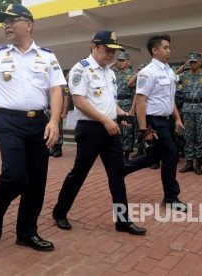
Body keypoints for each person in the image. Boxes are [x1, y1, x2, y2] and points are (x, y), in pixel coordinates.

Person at [0, 4, 66, 252]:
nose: (6, 25)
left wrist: (54, 121)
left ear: (29, 24)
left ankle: (26, 233)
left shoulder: (47, 56)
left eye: (11, 20)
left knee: (36, 181)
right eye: (4, 22)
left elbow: (57, 89)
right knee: (15, 176)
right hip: (8, 122)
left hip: (39, 122)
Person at [52, 30, 146, 235]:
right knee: (79, 173)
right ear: (94, 47)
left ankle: (123, 221)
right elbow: (79, 102)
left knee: (117, 174)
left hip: (110, 128)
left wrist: (121, 115)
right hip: (91, 130)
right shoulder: (81, 69)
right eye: (108, 50)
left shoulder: (109, 72)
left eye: (114, 51)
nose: (112, 55)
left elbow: (109, 103)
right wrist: (105, 120)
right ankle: (60, 212)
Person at [123, 34, 187, 212]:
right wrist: (144, 129)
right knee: (170, 155)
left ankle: (120, 170)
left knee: (152, 157)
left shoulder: (170, 71)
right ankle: (171, 198)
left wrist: (177, 118)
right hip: (153, 121)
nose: (169, 51)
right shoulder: (147, 72)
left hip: (165, 121)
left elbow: (170, 98)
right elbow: (141, 101)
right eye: (165, 47)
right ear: (155, 50)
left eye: (169, 47)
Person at [177, 52, 202, 175]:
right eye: (190, 62)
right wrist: (183, 66)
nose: (192, 64)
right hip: (187, 109)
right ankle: (188, 163)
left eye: (194, 61)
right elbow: (172, 77)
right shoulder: (183, 76)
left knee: (201, 137)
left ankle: (198, 164)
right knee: (188, 137)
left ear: (200, 62)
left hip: (201, 108)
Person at [114, 51, 136, 160]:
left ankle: (126, 152)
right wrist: (114, 63)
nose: (120, 63)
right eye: (119, 60)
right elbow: (106, 69)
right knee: (118, 128)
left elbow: (136, 91)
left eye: (122, 60)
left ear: (128, 62)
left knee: (127, 129)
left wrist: (133, 108)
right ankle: (119, 149)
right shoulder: (115, 74)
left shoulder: (132, 74)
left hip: (127, 102)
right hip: (117, 104)